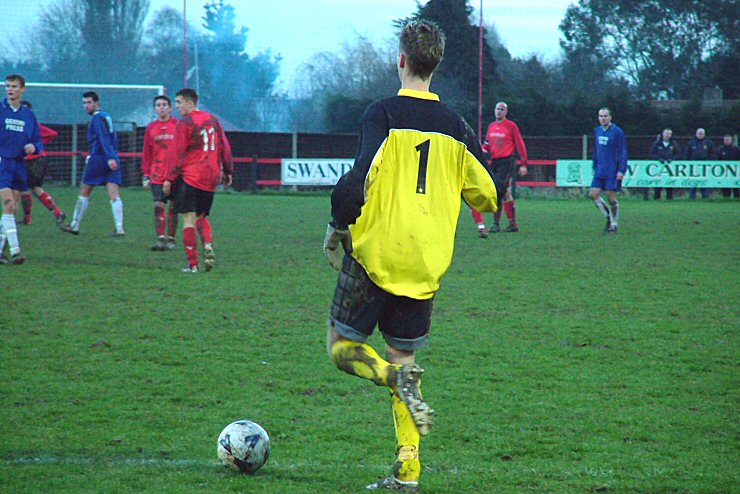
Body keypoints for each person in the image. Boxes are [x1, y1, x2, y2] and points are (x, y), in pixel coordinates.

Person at [323, 20, 500, 493]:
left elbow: (357, 179)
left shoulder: (382, 113)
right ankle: (408, 471)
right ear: (434, 65)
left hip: (376, 255)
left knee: (341, 349)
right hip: (424, 266)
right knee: (406, 357)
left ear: (401, 60)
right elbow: (490, 192)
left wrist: (338, 225)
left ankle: (388, 378)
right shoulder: (458, 127)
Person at [162, 88, 232, 273]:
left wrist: (169, 179)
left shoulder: (186, 122)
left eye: (179, 102)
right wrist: (228, 170)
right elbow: (225, 146)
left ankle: (193, 265)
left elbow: (178, 153)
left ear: (190, 103)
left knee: (188, 219)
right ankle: (207, 244)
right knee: (202, 217)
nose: (176, 107)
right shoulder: (213, 120)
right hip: (211, 177)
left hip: (191, 176)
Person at [64, 91, 124, 235]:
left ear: (97, 103)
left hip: (99, 158)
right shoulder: (106, 116)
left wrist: (108, 156)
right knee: (114, 194)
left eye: (89, 102)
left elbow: (104, 139)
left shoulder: (97, 119)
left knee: (84, 191)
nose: (86, 106)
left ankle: (75, 225)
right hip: (113, 157)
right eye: (84, 103)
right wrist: (113, 157)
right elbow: (112, 138)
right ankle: (119, 228)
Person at [0, 74, 43, 265]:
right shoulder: (1, 110)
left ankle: (0, 251)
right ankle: (16, 250)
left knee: (12, 208)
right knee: (8, 204)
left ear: (22, 89)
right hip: (3, 162)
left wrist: (34, 147)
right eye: (7, 86)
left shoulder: (28, 115)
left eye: (14, 86)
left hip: (19, 164)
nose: (10, 89)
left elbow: (37, 139)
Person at [471, 101, 528, 237]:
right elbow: (487, 144)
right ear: (494, 110)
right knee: (504, 192)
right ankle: (512, 224)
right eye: (497, 109)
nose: (499, 111)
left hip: (507, 161)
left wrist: (524, 163)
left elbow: (520, 144)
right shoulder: (491, 126)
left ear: (506, 112)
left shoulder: (511, 126)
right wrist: (482, 151)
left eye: (502, 109)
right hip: (495, 161)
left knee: (498, 190)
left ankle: (496, 224)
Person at [17, 101, 68, 227]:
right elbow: (52, 134)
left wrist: (36, 145)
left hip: (31, 161)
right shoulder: (32, 125)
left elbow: (52, 134)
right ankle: (57, 213)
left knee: (22, 189)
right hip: (40, 160)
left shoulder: (26, 125)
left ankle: (26, 218)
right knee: (36, 188)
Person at [142, 95, 179, 251]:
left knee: (173, 206)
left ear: (170, 108)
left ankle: (171, 239)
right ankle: (160, 239)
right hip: (157, 174)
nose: (162, 107)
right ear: (155, 109)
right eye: (158, 105)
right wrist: (145, 174)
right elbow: (147, 153)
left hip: (175, 174)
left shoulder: (178, 125)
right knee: (158, 205)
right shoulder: (151, 128)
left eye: (164, 104)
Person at [588, 107, 627, 233]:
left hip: (612, 170)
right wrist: (594, 165)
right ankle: (609, 219)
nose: (602, 118)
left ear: (610, 117)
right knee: (593, 194)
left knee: (612, 198)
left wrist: (621, 170)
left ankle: (614, 224)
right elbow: (596, 150)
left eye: (605, 116)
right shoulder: (597, 131)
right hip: (600, 170)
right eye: (600, 116)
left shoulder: (617, 132)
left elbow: (623, 151)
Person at [647, 127, 681, 200]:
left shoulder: (674, 144)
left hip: (670, 168)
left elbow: (678, 154)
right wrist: (659, 159)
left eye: (669, 134)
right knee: (658, 183)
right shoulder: (656, 143)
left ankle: (669, 199)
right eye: (666, 133)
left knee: (669, 183)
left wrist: (672, 159)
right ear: (663, 134)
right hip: (658, 167)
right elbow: (651, 153)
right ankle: (656, 198)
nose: (668, 135)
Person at [685, 128, 716, 199]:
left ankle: (705, 197)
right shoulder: (691, 143)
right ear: (696, 133)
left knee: (704, 182)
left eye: (702, 133)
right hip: (693, 167)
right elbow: (687, 154)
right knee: (693, 182)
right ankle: (692, 197)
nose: (700, 135)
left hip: (705, 167)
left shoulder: (709, 143)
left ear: (704, 134)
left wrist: (708, 162)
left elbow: (713, 154)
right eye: (699, 133)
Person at [717, 134, 739, 199]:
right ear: (723, 141)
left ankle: (737, 198)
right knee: (725, 185)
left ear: (731, 140)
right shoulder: (720, 149)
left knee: (736, 185)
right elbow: (717, 159)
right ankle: (726, 198)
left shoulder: (736, 149)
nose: (727, 141)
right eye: (726, 140)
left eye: (728, 140)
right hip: (724, 171)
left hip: (735, 171)